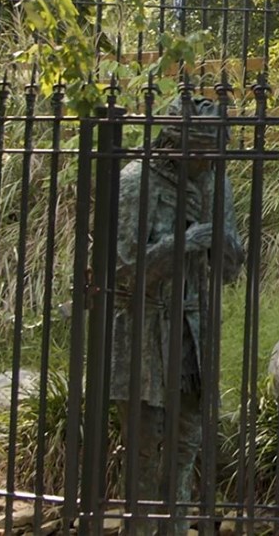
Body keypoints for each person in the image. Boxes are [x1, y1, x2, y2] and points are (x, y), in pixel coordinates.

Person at [108, 95, 244, 533]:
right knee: (146, 448)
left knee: (186, 444)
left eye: (215, 153)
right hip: (147, 335)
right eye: (203, 153)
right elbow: (125, 270)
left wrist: (222, 240)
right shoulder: (136, 182)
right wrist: (182, 242)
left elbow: (229, 270)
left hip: (194, 334)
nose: (209, 162)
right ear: (175, 142)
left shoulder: (214, 184)